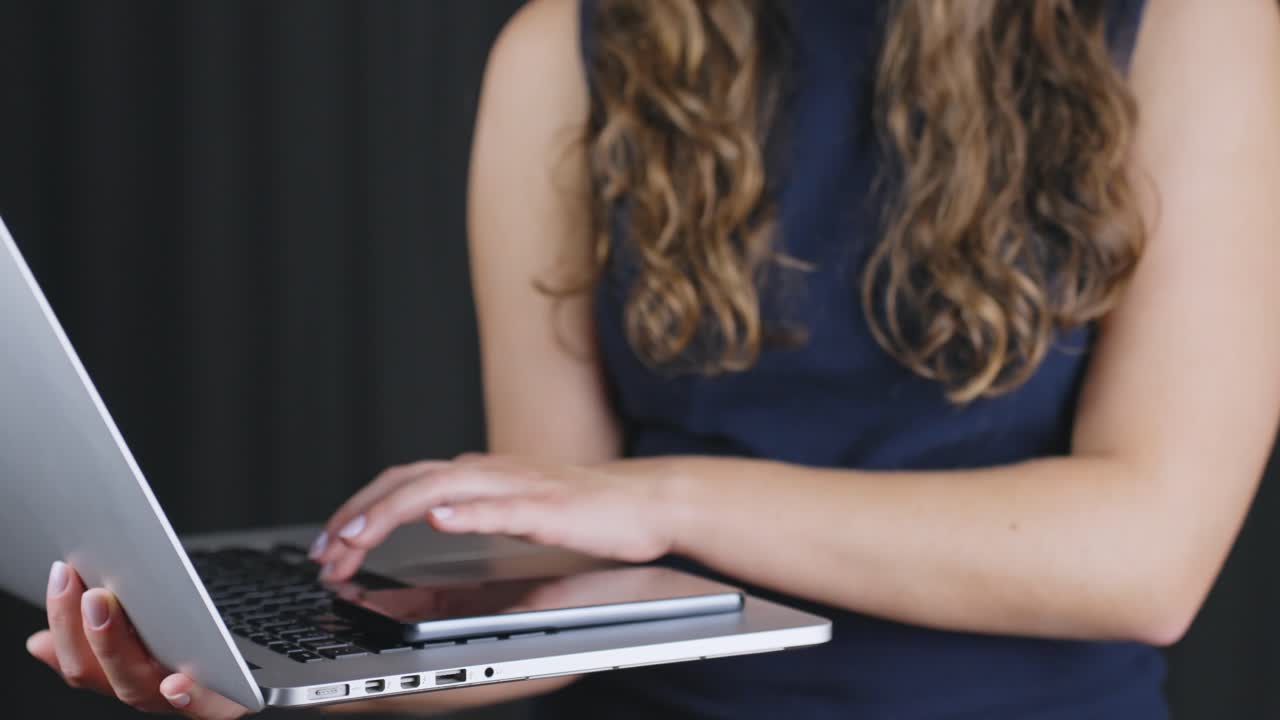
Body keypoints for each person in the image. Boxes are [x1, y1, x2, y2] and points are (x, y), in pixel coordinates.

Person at [25, 0, 1280, 717]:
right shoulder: (561, 57)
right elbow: (559, 592)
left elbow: (1145, 559)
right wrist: (266, 678)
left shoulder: (1190, 26)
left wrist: (659, 498)